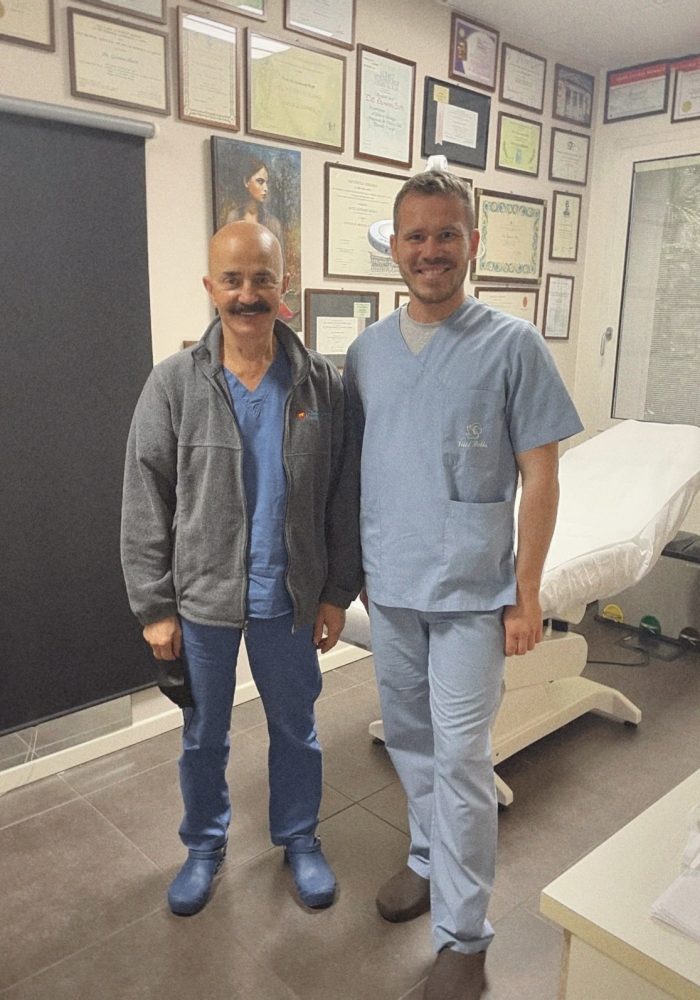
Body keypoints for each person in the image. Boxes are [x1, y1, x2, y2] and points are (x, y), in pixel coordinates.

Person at [343, 171, 582, 999]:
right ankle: (421, 857)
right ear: (396, 249)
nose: (431, 251)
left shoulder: (513, 345)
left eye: (447, 235)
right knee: (408, 742)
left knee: (463, 761)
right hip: (395, 586)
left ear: (473, 243)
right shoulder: (368, 353)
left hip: (476, 595)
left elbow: (541, 479)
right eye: (416, 236)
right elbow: (362, 468)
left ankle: (465, 935)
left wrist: (528, 593)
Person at [121, 221, 361, 917]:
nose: (247, 294)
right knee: (204, 733)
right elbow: (144, 494)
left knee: (296, 726)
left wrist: (336, 592)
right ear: (210, 288)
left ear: (283, 286)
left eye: (262, 278)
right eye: (233, 279)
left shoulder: (321, 384)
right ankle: (203, 844)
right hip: (201, 601)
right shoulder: (173, 385)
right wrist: (153, 606)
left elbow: (343, 496)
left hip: (290, 598)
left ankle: (299, 837)